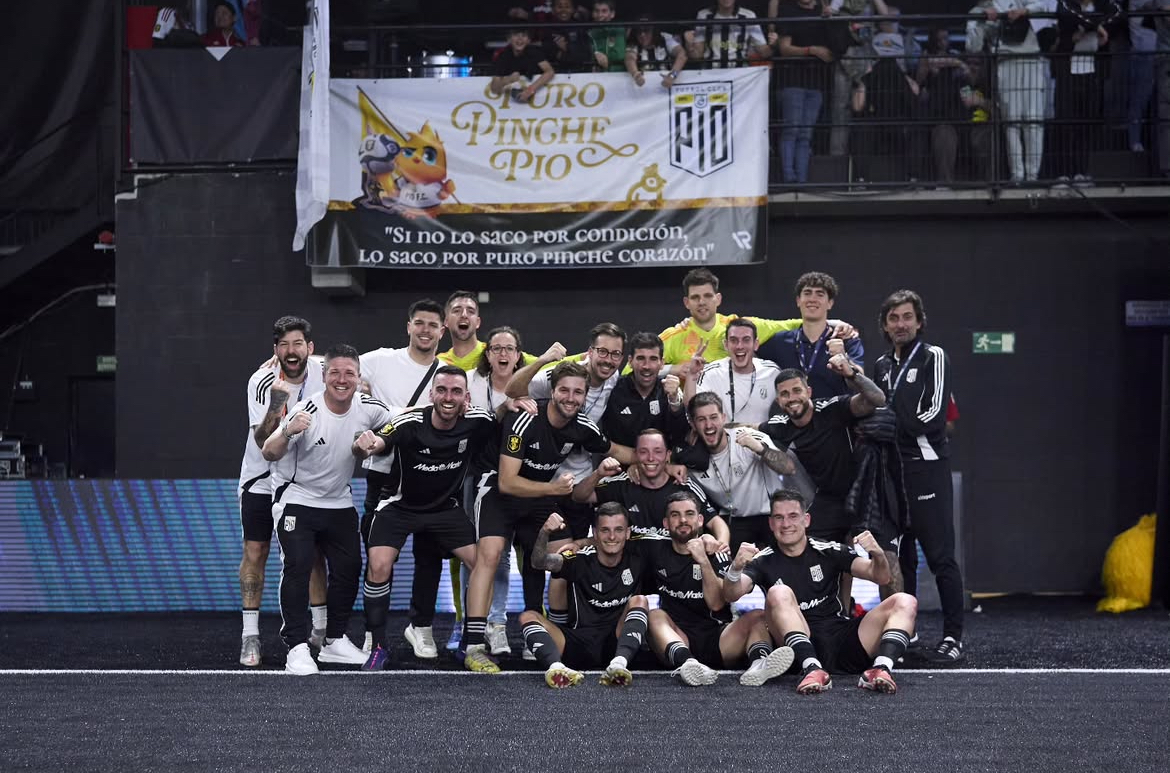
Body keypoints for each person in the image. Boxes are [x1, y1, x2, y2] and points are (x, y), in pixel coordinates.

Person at [463, 361, 633, 672]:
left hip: (538, 494)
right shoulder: (525, 417)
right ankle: (473, 645)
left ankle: (552, 633)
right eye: (564, 390)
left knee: (563, 553)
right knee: (490, 555)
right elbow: (507, 482)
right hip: (497, 491)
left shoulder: (582, 426)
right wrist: (553, 489)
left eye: (578, 392)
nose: (571, 397)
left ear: (585, 396)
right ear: (552, 391)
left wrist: (656, 459)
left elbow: (616, 450)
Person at [261, 345, 396, 675]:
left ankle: (334, 641)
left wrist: (376, 442)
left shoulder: (369, 408)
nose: (342, 379)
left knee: (350, 568)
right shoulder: (305, 410)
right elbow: (269, 452)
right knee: (298, 565)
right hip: (297, 499)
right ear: (323, 376)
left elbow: (402, 421)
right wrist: (287, 430)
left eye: (349, 373)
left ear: (359, 378)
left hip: (339, 502)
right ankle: (296, 646)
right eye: (335, 372)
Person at [354, 366, 498, 671]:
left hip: (444, 509)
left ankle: (471, 644)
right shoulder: (408, 422)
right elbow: (376, 443)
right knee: (379, 564)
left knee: (483, 564)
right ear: (431, 394)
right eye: (442, 390)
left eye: (456, 391)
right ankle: (377, 644)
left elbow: (500, 419)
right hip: (399, 506)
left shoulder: (478, 421)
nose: (448, 397)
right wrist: (364, 445)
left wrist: (512, 403)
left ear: (466, 397)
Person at [723, 489, 919, 694]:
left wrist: (877, 553)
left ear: (806, 520)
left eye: (793, 516)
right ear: (771, 523)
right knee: (779, 592)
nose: (786, 524)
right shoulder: (763, 559)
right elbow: (731, 594)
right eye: (779, 518)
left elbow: (881, 577)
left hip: (840, 638)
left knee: (905, 601)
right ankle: (812, 668)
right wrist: (735, 568)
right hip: (796, 649)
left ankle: (880, 669)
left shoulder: (828, 549)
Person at [873, 289, 966, 663]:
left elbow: (934, 417)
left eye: (907, 317)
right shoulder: (881, 366)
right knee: (904, 559)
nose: (900, 324)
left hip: (926, 470)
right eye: (893, 318)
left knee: (941, 557)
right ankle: (905, 633)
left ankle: (953, 638)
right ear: (885, 325)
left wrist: (889, 424)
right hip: (892, 473)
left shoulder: (933, 357)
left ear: (919, 321)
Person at [760, 364, 893, 608]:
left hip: (866, 491)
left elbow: (877, 399)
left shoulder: (832, 407)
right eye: (785, 394)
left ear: (809, 392)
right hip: (828, 499)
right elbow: (747, 429)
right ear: (778, 400)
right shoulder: (780, 424)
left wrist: (852, 374)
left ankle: (898, 622)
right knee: (809, 550)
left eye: (797, 390)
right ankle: (834, 614)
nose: (792, 398)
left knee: (887, 556)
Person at [358, 299, 446, 660]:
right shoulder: (380, 360)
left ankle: (421, 626)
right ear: (408, 326)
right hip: (382, 475)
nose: (425, 330)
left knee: (430, 557)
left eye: (432, 325)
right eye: (419, 323)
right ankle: (372, 632)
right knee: (379, 558)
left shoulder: (448, 373)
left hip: (432, 479)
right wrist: (278, 363)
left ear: (442, 331)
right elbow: (332, 367)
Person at [237, 316, 326, 667]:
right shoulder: (261, 380)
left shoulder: (325, 371)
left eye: (298, 344)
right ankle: (250, 635)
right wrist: (277, 403)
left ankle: (320, 630)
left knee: (313, 553)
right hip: (261, 476)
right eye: (284, 345)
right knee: (255, 550)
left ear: (310, 348)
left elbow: (354, 370)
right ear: (275, 349)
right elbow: (262, 441)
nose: (292, 351)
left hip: (303, 479)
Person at [645, 490, 796, 686]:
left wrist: (703, 560)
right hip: (676, 636)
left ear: (700, 520)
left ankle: (759, 664)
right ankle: (688, 663)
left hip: (719, 638)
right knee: (654, 615)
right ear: (666, 523)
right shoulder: (654, 547)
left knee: (758, 616)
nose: (683, 520)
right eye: (675, 515)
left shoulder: (718, 552)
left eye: (689, 514)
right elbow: (620, 537)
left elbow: (716, 604)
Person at [521, 504, 651, 687]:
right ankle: (557, 669)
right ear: (595, 533)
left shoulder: (639, 555)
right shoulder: (579, 559)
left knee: (640, 600)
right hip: (578, 643)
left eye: (618, 530)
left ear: (628, 533)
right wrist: (545, 532)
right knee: (528, 616)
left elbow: (673, 538)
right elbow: (539, 562)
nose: (612, 537)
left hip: (616, 643)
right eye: (605, 530)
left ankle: (619, 665)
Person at [463, 326, 535, 655]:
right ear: (487, 354)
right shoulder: (471, 384)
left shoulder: (534, 384)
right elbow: (474, 429)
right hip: (478, 478)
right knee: (479, 554)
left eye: (509, 348)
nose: (503, 354)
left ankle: (498, 624)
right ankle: (474, 625)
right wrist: (506, 406)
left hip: (520, 479)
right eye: (496, 348)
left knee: (509, 556)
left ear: (519, 355)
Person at [684, 392, 798, 555]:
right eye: (701, 419)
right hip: (734, 519)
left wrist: (760, 449)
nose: (709, 425)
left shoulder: (747, 436)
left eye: (714, 417)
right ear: (693, 424)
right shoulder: (691, 459)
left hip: (770, 514)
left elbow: (789, 468)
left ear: (723, 418)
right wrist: (672, 467)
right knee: (725, 557)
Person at [572, 429, 730, 542]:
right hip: (631, 570)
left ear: (668, 456)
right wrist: (598, 474)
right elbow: (579, 496)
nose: (650, 458)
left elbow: (715, 521)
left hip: (673, 569)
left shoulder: (684, 485)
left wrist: (721, 545)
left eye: (657, 451)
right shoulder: (621, 483)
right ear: (635, 455)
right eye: (643, 452)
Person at [660, 268, 835, 369]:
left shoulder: (740, 326)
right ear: (686, 302)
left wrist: (835, 323)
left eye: (707, 296)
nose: (702, 302)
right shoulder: (674, 336)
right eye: (695, 297)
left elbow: (793, 324)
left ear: (718, 299)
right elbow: (641, 369)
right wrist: (672, 369)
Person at [967, 1, 1049, 184]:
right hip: (1005, 62)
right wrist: (982, 19)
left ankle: (1033, 176)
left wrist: (1024, 11)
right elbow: (973, 46)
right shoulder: (978, 10)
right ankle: (1017, 175)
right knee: (1012, 120)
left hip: (1032, 59)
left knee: (1034, 119)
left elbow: (1045, 5)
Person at [758, 271, 865, 399]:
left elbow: (861, 382)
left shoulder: (847, 340)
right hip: (794, 410)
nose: (812, 299)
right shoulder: (779, 341)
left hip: (837, 410)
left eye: (820, 294)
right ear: (798, 300)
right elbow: (748, 355)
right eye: (807, 293)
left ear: (830, 303)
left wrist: (845, 359)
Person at [770, 0, 837, 184]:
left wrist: (831, 20)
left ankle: (801, 180)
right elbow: (784, 49)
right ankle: (788, 178)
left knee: (806, 135)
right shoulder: (788, 10)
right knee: (791, 130)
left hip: (816, 81)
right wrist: (811, 50)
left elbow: (835, 49)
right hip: (791, 79)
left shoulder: (824, 13)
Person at [599, 331, 689, 449]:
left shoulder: (670, 394)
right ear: (630, 361)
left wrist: (675, 403)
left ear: (662, 363)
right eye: (641, 358)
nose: (647, 366)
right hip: (617, 459)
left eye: (653, 359)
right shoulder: (612, 389)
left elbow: (680, 438)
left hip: (659, 459)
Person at [690, 318, 782, 426]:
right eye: (734, 340)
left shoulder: (772, 372)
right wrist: (691, 375)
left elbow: (784, 413)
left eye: (746, 340)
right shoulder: (711, 373)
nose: (739, 346)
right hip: (723, 436)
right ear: (726, 345)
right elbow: (692, 408)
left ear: (756, 344)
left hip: (762, 436)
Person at [694, 0, 772, 69]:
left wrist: (774, 45)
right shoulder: (703, 15)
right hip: (710, 71)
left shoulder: (749, 15)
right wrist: (689, 45)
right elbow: (697, 55)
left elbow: (764, 53)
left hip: (740, 73)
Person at [490, 26, 555, 103]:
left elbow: (550, 71)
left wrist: (530, 90)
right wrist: (508, 80)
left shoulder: (534, 51)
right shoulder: (503, 56)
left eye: (523, 35)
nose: (520, 39)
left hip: (538, 97)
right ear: (509, 39)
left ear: (529, 40)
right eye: (516, 35)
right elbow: (494, 89)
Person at [625, 14, 689, 88]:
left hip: (666, 87)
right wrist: (636, 75)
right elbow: (629, 58)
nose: (642, 35)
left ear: (653, 30)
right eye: (639, 31)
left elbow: (682, 54)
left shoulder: (665, 38)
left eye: (646, 30)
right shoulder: (633, 42)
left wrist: (672, 75)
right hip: (643, 88)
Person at [546, 0, 596, 72]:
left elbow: (584, 55)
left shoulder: (580, 27)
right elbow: (547, 54)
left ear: (573, 9)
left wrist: (566, 48)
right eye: (559, 7)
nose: (563, 10)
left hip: (579, 72)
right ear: (553, 9)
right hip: (555, 73)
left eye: (567, 7)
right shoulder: (547, 27)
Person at [589, 0, 626, 71]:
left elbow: (619, 55)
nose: (600, 15)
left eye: (604, 11)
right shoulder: (589, 32)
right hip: (593, 74)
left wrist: (603, 57)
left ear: (612, 14)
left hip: (617, 73)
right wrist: (595, 54)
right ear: (592, 13)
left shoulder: (618, 30)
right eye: (596, 11)